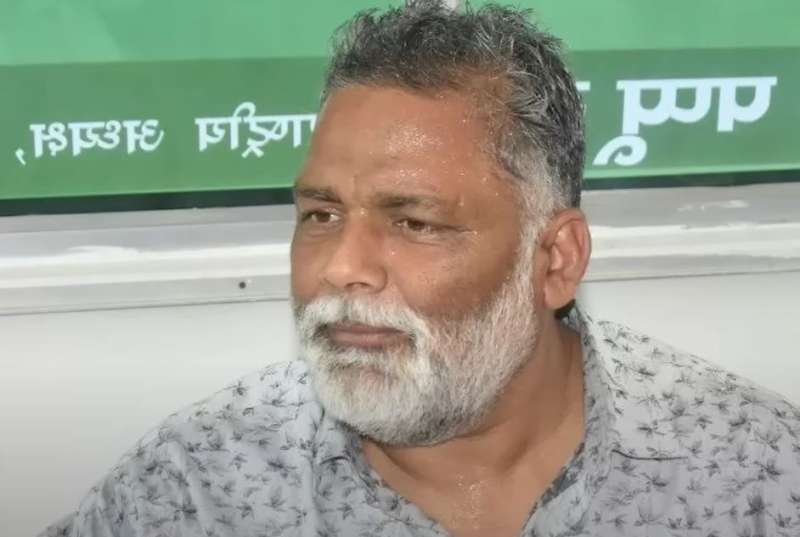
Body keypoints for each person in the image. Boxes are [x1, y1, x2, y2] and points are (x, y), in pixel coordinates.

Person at [43, 1, 800, 536]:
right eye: (320, 215)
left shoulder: (751, 474)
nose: (341, 268)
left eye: (414, 222)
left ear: (555, 260)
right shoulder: (197, 490)